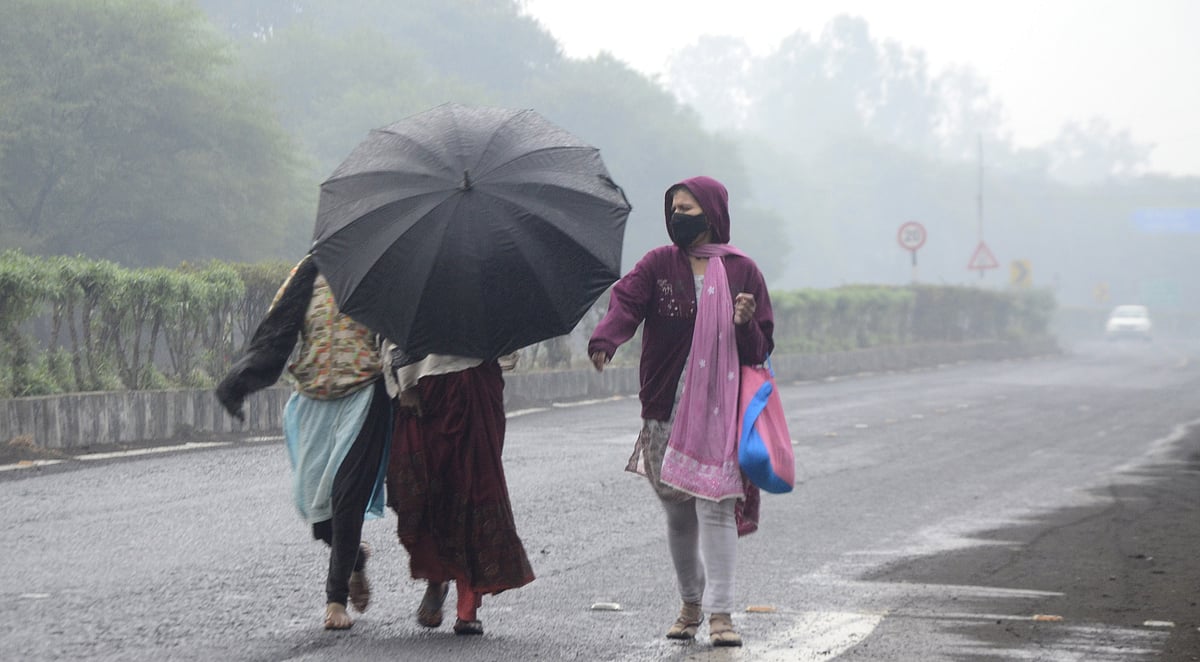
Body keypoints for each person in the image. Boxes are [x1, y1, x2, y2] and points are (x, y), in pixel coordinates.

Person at [588, 176, 774, 647]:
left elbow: (759, 349)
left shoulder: (743, 272)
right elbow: (625, 303)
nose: (678, 216)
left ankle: (720, 615)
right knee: (679, 516)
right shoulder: (657, 265)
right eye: (673, 207)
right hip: (665, 408)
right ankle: (690, 602)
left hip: (722, 412)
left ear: (711, 213)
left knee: (716, 510)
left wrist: (745, 322)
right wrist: (606, 339)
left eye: (688, 208)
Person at [216, 255, 391, 631]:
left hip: (363, 395)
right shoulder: (306, 273)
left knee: (347, 496)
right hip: (313, 399)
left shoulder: (379, 271)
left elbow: (399, 332)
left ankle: (335, 599)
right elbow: (276, 329)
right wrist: (239, 381)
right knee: (316, 512)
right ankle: (356, 561)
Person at [384, 348, 533, 636]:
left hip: (477, 381)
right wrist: (404, 384)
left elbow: (508, 338)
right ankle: (437, 576)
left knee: (474, 490)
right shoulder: (417, 300)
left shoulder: (490, 299)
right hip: (426, 387)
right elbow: (396, 332)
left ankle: (467, 608)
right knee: (424, 494)